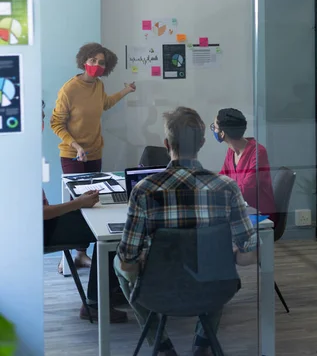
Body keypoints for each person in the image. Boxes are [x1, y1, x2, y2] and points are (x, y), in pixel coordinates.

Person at [114, 106, 258, 356]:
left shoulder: (144, 190)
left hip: (157, 291)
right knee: (216, 263)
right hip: (212, 292)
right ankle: (203, 343)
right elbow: (249, 256)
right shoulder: (227, 189)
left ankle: (161, 345)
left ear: (166, 144)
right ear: (202, 143)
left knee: (118, 263)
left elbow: (128, 262)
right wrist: (229, 251)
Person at [51, 42, 136, 268]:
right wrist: (76, 146)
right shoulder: (69, 89)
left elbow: (105, 104)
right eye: (92, 61)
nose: (96, 66)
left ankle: (81, 253)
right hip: (72, 155)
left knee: (92, 203)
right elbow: (56, 124)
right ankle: (67, 256)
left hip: (95, 152)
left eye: (101, 63)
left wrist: (126, 90)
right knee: (75, 204)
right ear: (83, 61)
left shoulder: (98, 85)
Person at [42, 102, 127, 323]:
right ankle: (96, 303)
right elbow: (41, 214)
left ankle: (111, 290)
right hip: (43, 231)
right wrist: (78, 203)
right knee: (107, 231)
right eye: (41, 118)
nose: (44, 124)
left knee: (105, 224)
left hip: (45, 225)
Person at [213, 108, 276, 224]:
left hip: (260, 214)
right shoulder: (231, 151)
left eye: (215, 127)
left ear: (222, 133)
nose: (214, 130)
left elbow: (247, 189)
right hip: (239, 209)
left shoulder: (258, 152)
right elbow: (222, 178)